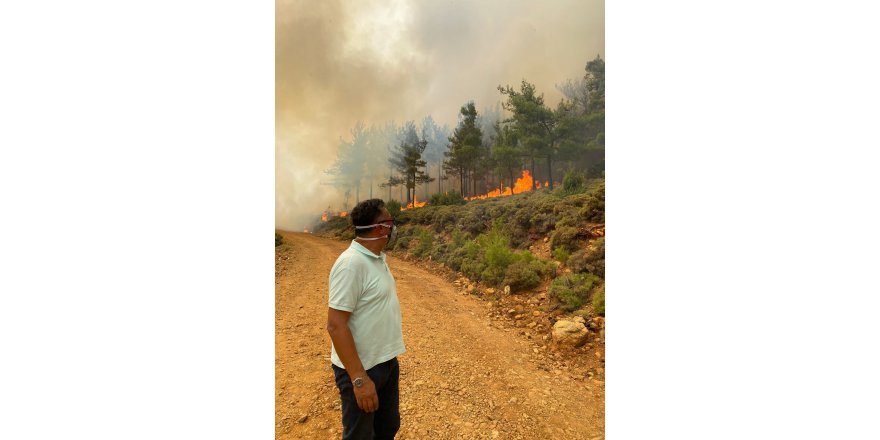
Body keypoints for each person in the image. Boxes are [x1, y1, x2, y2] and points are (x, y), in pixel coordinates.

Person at [326, 198, 405, 440]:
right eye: (390, 222)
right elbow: (335, 325)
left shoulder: (377, 257)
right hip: (362, 370)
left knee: (387, 427)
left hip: (386, 363)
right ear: (381, 227)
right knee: (359, 436)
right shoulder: (351, 264)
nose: (393, 228)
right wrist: (359, 380)